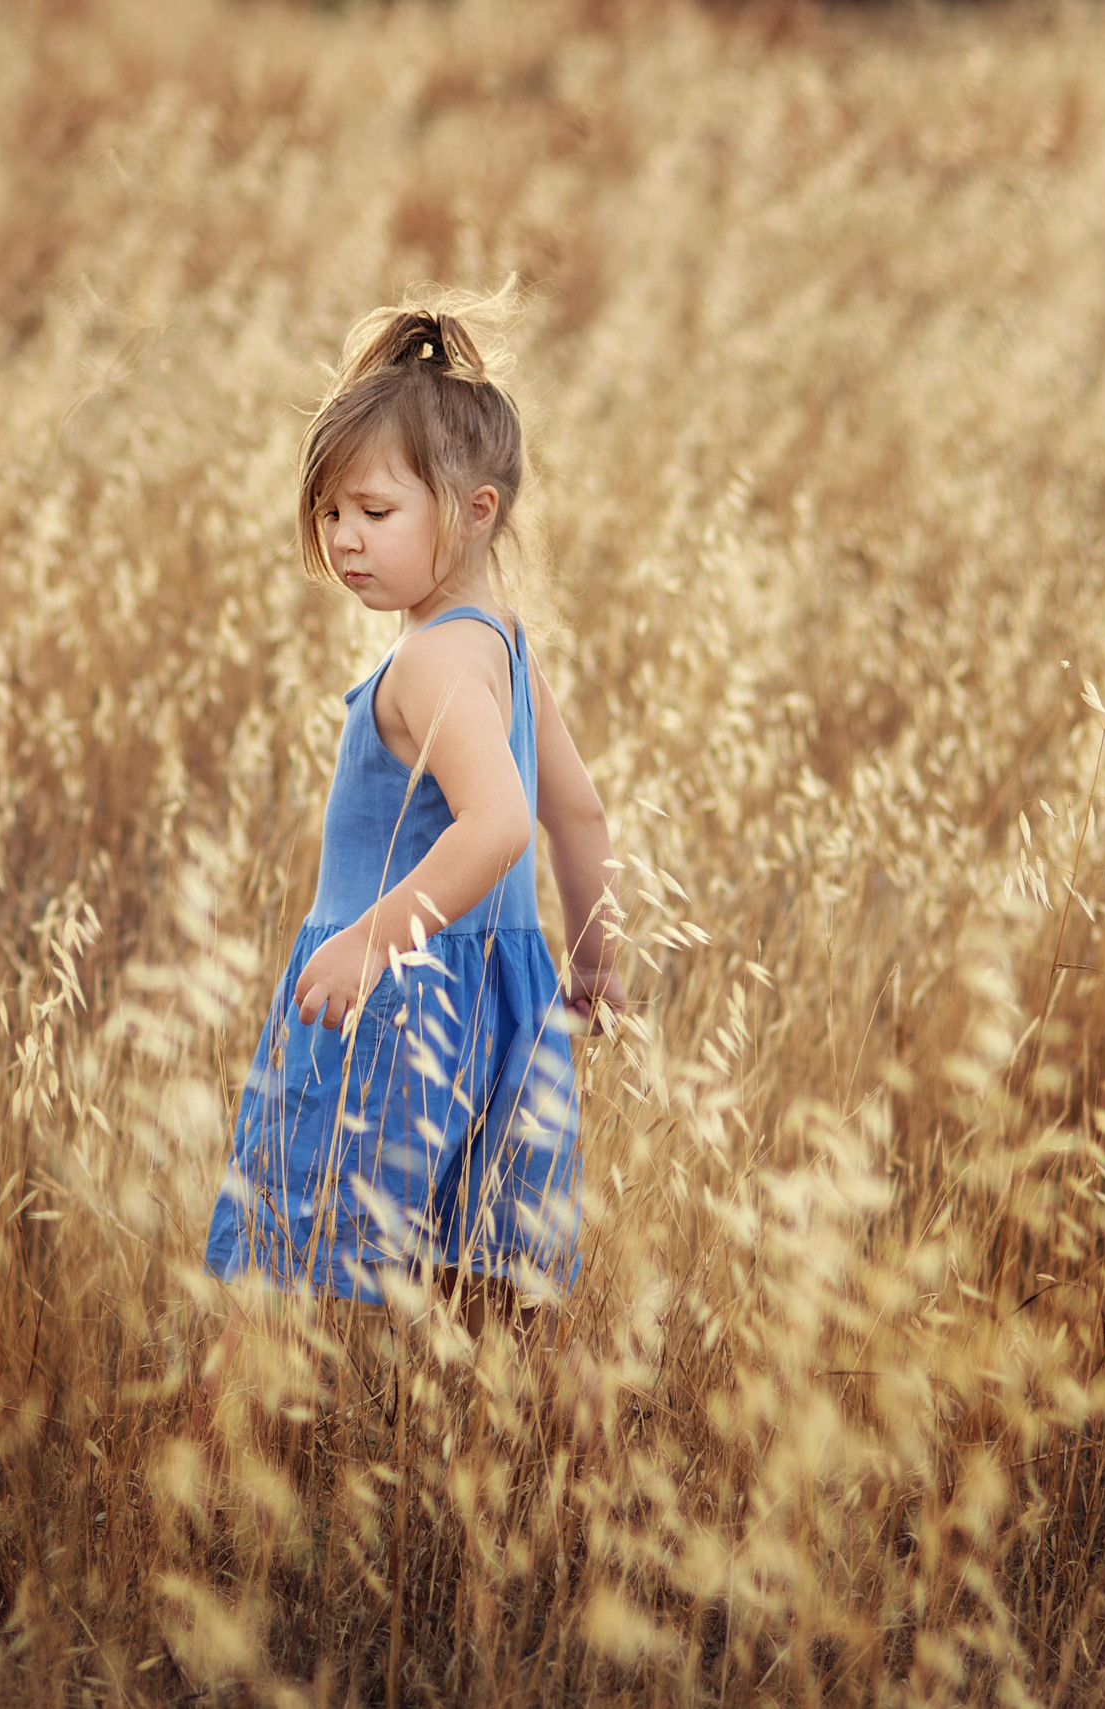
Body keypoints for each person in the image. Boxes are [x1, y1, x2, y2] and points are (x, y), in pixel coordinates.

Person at [200, 295, 624, 1369]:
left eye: (376, 511)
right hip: (506, 1004)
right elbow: (575, 809)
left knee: (286, 1269)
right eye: (332, 511)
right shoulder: (505, 647)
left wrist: (369, 941)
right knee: (490, 1289)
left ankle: (219, 1453)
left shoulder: (429, 660)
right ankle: (511, 1460)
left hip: (395, 999)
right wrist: (591, 962)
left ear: (475, 512)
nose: (344, 538)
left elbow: (501, 823)